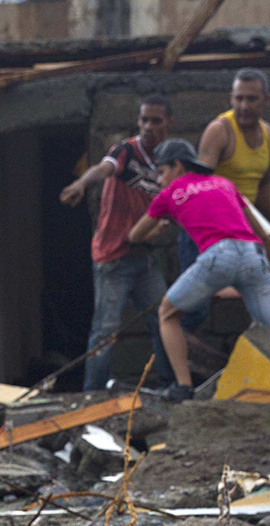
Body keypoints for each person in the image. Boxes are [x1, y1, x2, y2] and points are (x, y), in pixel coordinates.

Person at [128, 138, 270, 401]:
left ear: (177, 166)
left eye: (161, 172)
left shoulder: (169, 195)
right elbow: (261, 232)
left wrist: (158, 228)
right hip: (253, 255)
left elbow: (135, 235)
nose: (158, 180)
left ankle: (182, 387)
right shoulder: (225, 184)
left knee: (167, 314)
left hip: (219, 256)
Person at [58, 94, 175, 395]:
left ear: (168, 124)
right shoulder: (126, 151)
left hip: (145, 258)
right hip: (113, 258)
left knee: (165, 319)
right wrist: (82, 184)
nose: (148, 126)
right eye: (143, 119)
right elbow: (104, 168)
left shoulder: (168, 164)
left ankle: (171, 387)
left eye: (156, 120)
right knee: (105, 332)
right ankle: (92, 397)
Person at [198, 68, 270, 240]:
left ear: (267, 100)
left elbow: (263, 185)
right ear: (231, 98)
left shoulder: (268, 134)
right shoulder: (220, 131)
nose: (244, 106)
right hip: (213, 227)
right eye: (239, 99)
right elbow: (200, 185)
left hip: (246, 225)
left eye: (252, 99)